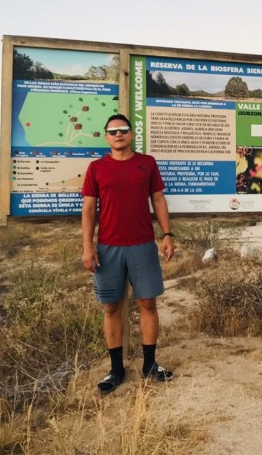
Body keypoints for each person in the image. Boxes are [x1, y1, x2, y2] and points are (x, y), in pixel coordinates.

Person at [81, 113, 175, 394]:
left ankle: (149, 365)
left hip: (143, 245)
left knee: (148, 304)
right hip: (108, 248)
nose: (118, 134)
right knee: (111, 307)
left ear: (131, 134)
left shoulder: (147, 164)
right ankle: (116, 369)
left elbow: (157, 199)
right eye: (113, 131)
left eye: (123, 130)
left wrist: (167, 234)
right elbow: (88, 209)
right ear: (106, 137)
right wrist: (88, 245)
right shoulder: (97, 168)